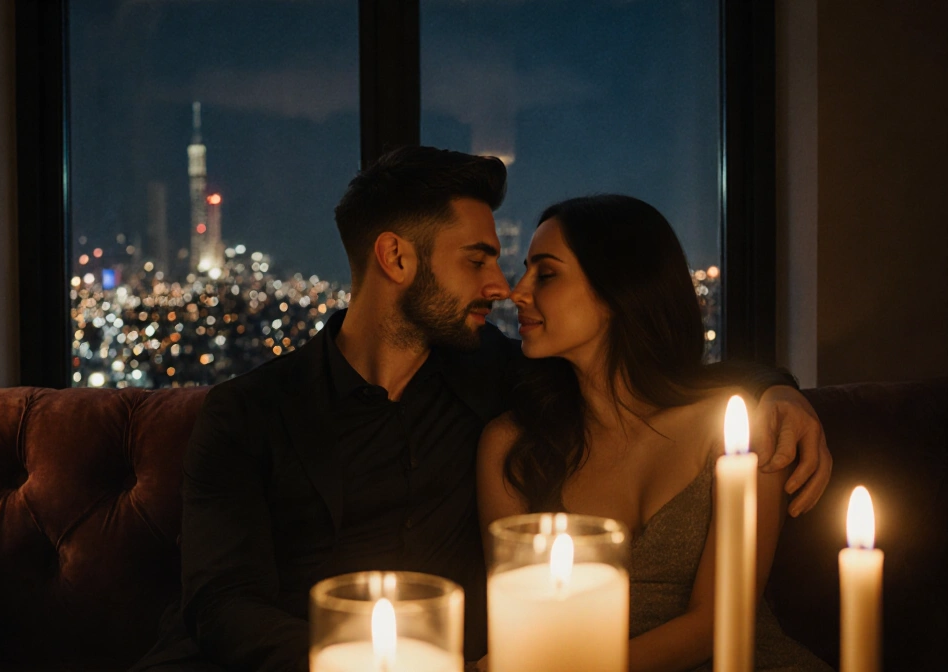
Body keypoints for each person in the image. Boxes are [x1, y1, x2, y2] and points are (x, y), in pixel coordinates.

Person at [133, 148, 831, 672]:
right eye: (478, 260)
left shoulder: (498, 383)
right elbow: (223, 603)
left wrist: (777, 389)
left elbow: (654, 377)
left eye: (524, 268)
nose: (503, 288)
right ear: (396, 259)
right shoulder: (247, 414)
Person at [477, 195, 831, 671]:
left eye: (546, 274)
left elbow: (719, 621)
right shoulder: (511, 447)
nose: (517, 293)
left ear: (618, 290)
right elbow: (516, 619)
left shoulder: (735, 431)